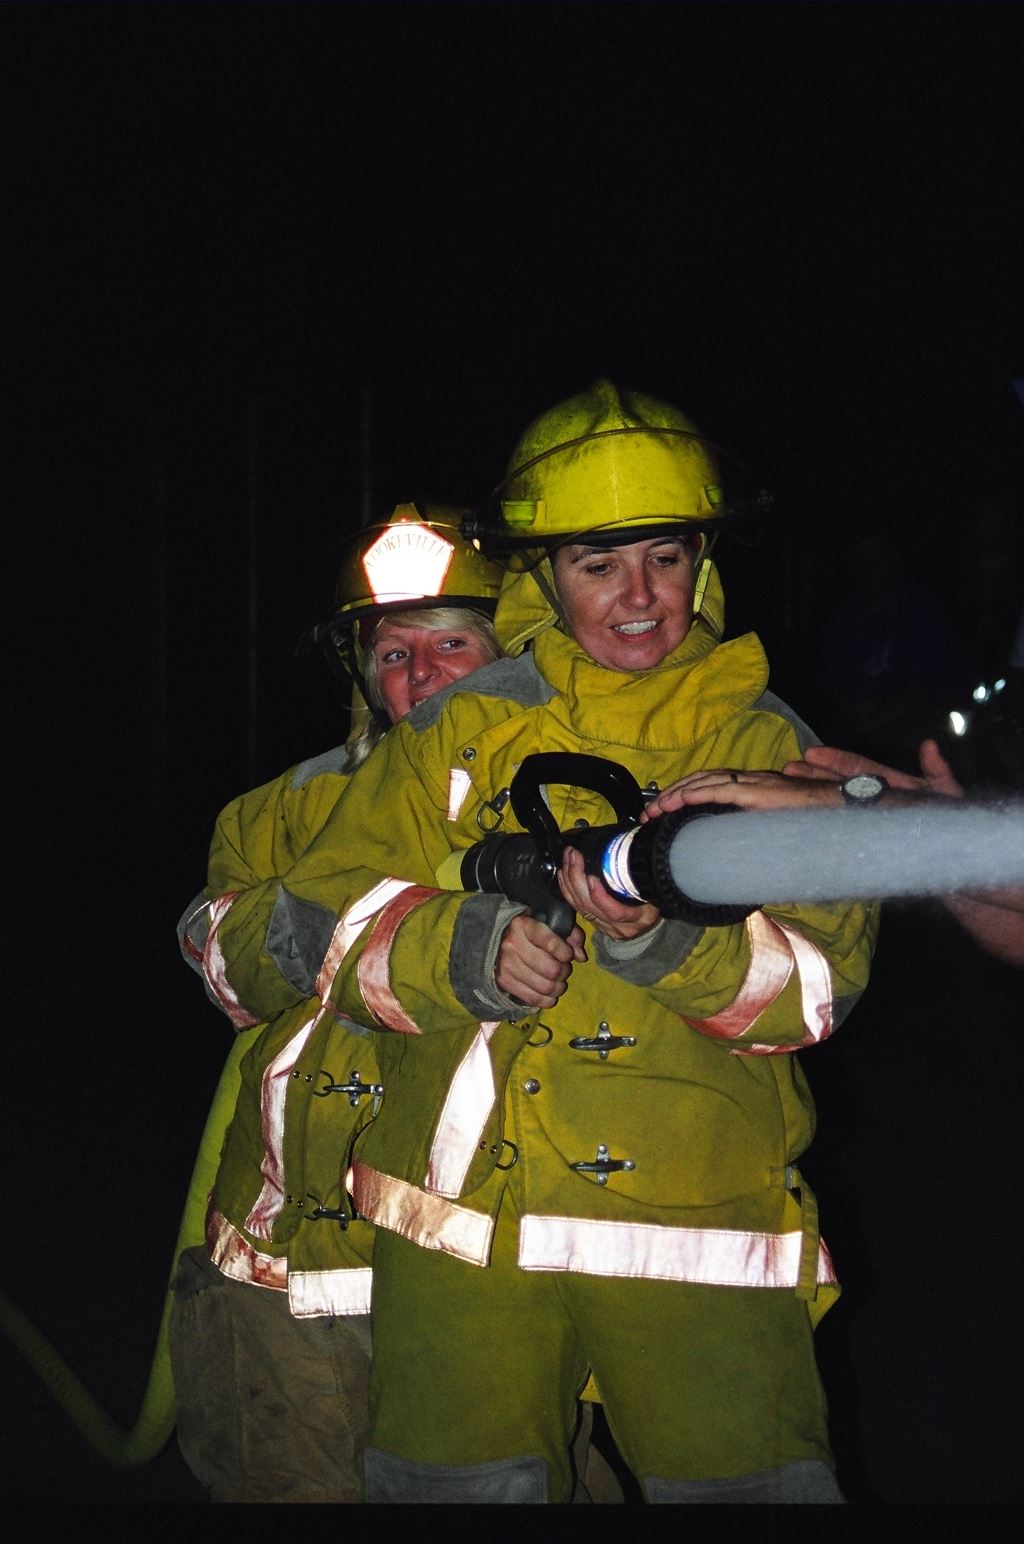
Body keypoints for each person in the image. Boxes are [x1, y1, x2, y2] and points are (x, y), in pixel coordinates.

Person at [198, 381, 879, 1503]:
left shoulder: (771, 750)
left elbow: (815, 990)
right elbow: (323, 925)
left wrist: (668, 946)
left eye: (663, 556)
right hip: (459, 1238)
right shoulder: (459, 733)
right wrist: (455, 947)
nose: (638, 596)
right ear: (542, 576)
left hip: (697, 1241)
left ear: (703, 562)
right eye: (596, 565)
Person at [171, 504, 505, 1502]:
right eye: (393, 650)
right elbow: (219, 956)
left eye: (454, 641)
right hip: (284, 1267)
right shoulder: (283, 809)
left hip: (485, 1277)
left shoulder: (566, 796)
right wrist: (345, 910)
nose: (422, 672)